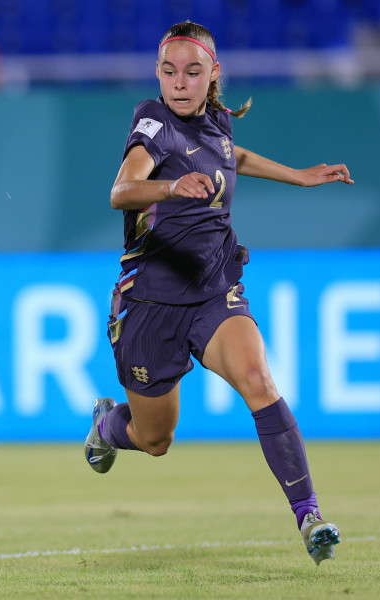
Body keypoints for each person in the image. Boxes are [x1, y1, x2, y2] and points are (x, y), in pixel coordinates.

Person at [84, 21, 353, 565]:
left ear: (213, 77)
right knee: (155, 439)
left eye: (192, 72)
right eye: (168, 71)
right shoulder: (152, 124)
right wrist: (169, 187)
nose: (179, 83)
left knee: (258, 380)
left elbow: (234, 156)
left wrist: (301, 176)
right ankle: (108, 426)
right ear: (156, 75)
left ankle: (310, 517)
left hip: (213, 289)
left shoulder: (214, 122)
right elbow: (120, 191)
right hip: (150, 303)